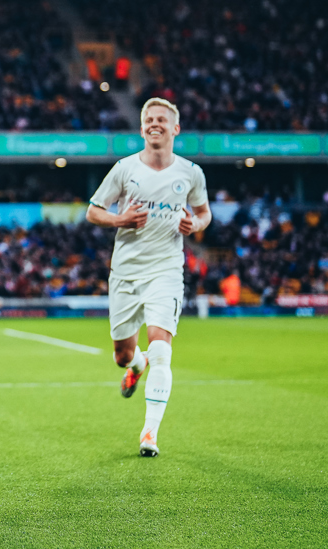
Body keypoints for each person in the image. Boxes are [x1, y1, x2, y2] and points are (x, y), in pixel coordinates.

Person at [85, 97, 212, 458]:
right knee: (122, 355)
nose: (155, 124)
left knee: (161, 350)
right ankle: (134, 365)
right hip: (125, 272)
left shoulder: (190, 173)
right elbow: (94, 211)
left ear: (175, 128)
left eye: (162, 119)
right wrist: (119, 220)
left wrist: (195, 224)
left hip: (166, 270)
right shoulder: (125, 169)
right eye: (149, 120)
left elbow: (204, 213)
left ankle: (149, 433)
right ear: (142, 129)